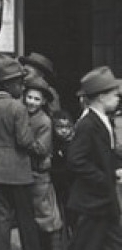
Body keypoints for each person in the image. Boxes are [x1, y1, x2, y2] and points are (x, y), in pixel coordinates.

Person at [0, 55, 41, 250]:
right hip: (18, 171)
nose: (21, 88)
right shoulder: (17, 108)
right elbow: (24, 140)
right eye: (20, 83)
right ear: (10, 84)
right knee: (25, 219)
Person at [65, 67, 122, 249]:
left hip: (103, 199)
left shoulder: (102, 120)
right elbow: (75, 159)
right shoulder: (88, 123)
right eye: (115, 95)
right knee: (86, 244)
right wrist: (103, 177)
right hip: (93, 201)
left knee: (112, 242)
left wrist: (114, 170)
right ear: (101, 97)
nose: (118, 99)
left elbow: (102, 154)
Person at [22, 76, 63, 250]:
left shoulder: (44, 121)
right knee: (30, 217)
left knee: (46, 217)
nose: (32, 102)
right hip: (26, 173)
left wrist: (22, 139)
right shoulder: (22, 115)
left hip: (39, 175)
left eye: (36, 99)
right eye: (29, 97)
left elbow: (41, 149)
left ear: (44, 101)